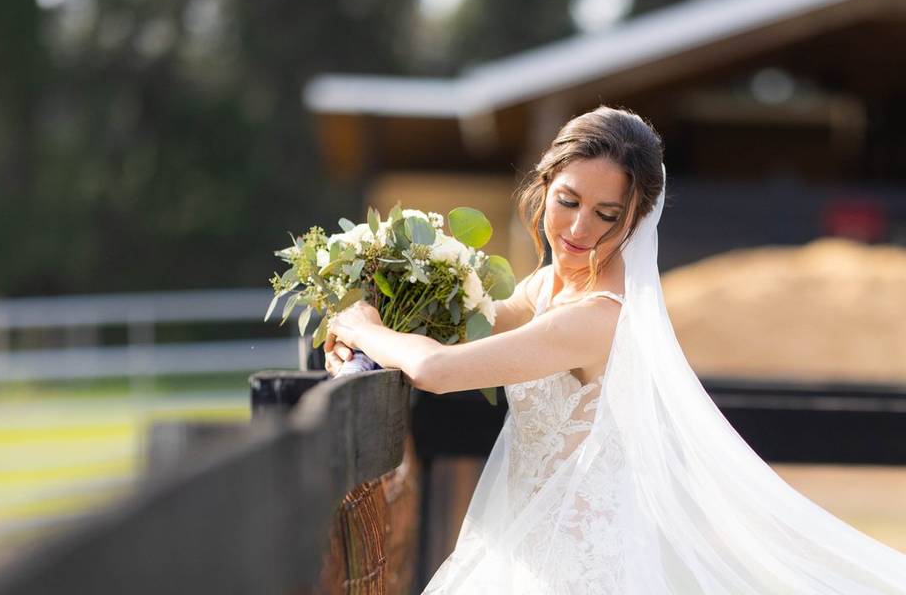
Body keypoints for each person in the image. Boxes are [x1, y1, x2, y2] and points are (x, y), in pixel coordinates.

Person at [324, 105, 906, 593]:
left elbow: (436, 367)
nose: (579, 230)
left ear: (636, 220)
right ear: (543, 184)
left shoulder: (598, 316)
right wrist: (381, 324)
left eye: (607, 215)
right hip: (525, 542)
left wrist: (362, 326)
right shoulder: (552, 283)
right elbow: (473, 329)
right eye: (568, 201)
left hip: (578, 564)